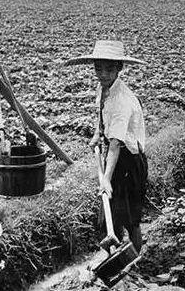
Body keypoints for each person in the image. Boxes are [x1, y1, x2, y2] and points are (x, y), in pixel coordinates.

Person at [63, 40, 148, 252]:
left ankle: (136, 259)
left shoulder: (122, 99)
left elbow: (116, 144)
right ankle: (117, 255)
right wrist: (96, 134)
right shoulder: (103, 89)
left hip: (129, 162)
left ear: (120, 68)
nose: (103, 74)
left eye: (109, 69)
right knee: (110, 216)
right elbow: (101, 115)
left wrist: (107, 179)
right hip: (114, 157)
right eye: (98, 68)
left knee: (130, 218)